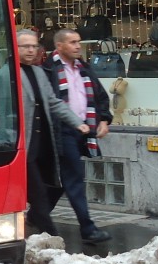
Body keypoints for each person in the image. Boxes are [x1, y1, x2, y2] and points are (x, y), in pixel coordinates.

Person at [42, 28, 113, 244]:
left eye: (78, 41)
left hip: (84, 129)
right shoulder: (48, 69)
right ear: (59, 46)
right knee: (74, 177)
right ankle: (88, 229)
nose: (77, 46)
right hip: (61, 130)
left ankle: (37, 216)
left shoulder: (84, 68)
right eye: (72, 42)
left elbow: (100, 95)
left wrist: (103, 119)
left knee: (64, 181)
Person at [16, 29, 88, 236]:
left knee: (53, 187)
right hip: (25, 145)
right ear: (16, 47)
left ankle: (33, 228)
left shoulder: (39, 72)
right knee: (38, 194)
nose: (31, 50)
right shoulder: (8, 73)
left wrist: (77, 122)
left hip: (44, 143)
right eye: (25, 46)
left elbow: (53, 102)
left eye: (34, 46)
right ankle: (53, 239)